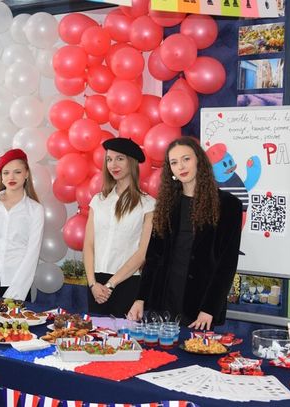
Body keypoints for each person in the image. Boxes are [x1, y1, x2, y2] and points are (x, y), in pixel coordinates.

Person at [127, 137, 242, 330]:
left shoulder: (228, 205)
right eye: (174, 162)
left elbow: (227, 264)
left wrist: (209, 308)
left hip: (200, 305)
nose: (180, 166)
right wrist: (140, 298)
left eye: (186, 159)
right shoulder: (167, 205)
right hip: (163, 300)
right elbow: (153, 257)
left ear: (199, 160)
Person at [83, 138, 155, 317]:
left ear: (132, 162)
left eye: (120, 159)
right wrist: (92, 284)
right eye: (109, 159)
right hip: (96, 286)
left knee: (124, 334)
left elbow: (142, 253)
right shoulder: (98, 201)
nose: (113, 165)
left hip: (127, 283)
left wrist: (110, 285)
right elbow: (89, 245)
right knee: (93, 334)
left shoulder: (148, 204)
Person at [0, 148, 44, 300]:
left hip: (18, 286)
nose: (11, 177)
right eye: (6, 173)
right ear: (1, 177)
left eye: (17, 172)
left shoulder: (35, 210)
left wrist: (16, 293)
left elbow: (32, 253)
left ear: (26, 174)